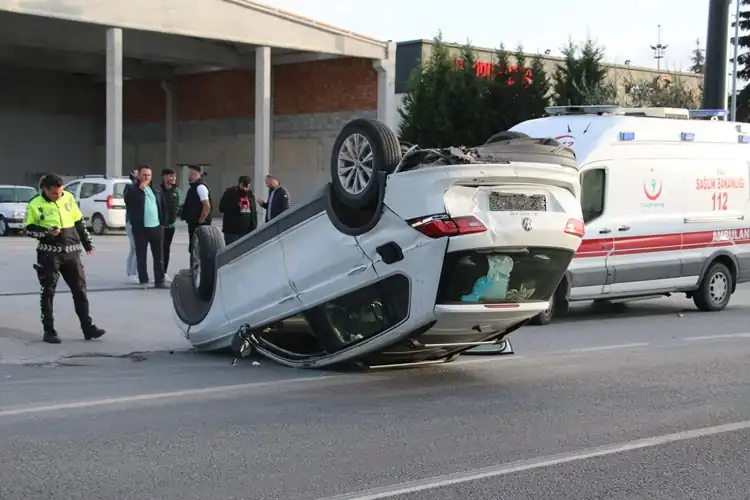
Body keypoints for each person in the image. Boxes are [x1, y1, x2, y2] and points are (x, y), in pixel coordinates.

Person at [23, 173, 106, 344]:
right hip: (49, 253)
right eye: (54, 193)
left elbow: (78, 221)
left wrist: (87, 243)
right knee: (48, 291)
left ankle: (87, 327)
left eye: (60, 192)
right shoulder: (35, 204)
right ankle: (49, 330)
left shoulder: (68, 197)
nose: (58, 195)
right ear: (45, 189)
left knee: (80, 290)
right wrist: (46, 233)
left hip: (72, 252)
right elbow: (28, 229)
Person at [124, 165, 169, 289]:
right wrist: (139, 190)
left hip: (156, 227)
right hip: (140, 228)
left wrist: (163, 223)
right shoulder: (132, 189)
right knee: (141, 255)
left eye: (148, 175)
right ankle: (143, 280)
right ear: (139, 175)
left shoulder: (156, 188)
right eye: (144, 175)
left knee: (158, 255)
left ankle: (159, 280)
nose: (146, 177)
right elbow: (128, 201)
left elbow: (162, 205)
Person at [180, 165, 212, 254]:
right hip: (193, 222)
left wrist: (201, 220)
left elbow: (207, 206)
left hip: (199, 224)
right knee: (193, 247)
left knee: (198, 248)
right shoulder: (193, 188)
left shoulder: (200, 187)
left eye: (191, 174)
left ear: (196, 174)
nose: (189, 176)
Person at [219, 175, 257, 245]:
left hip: (247, 230)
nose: (246, 189)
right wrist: (237, 206)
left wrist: (254, 226)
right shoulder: (230, 192)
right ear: (241, 184)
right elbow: (222, 207)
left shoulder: (250, 194)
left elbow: (253, 211)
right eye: (245, 187)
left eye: (248, 187)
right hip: (233, 231)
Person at [160, 167, 182, 277]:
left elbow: (180, 206)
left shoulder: (177, 192)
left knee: (166, 249)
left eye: (174, 176)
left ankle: (163, 273)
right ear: (164, 177)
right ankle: (158, 273)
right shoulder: (158, 190)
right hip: (159, 225)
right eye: (170, 176)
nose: (173, 178)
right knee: (159, 250)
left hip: (170, 226)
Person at [124, 169, 139, 284]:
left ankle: (130, 272)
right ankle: (132, 273)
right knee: (136, 248)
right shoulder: (130, 188)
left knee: (133, 249)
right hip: (132, 222)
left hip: (132, 222)